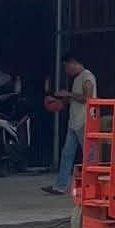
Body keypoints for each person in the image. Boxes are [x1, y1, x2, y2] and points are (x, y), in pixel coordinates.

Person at [41, 52, 95, 196]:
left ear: (73, 63)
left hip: (84, 121)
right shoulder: (77, 78)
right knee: (67, 154)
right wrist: (60, 101)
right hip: (74, 122)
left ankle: (92, 186)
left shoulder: (87, 76)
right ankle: (60, 186)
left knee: (89, 155)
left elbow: (88, 98)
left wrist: (68, 94)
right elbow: (77, 99)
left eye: (66, 67)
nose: (66, 70)